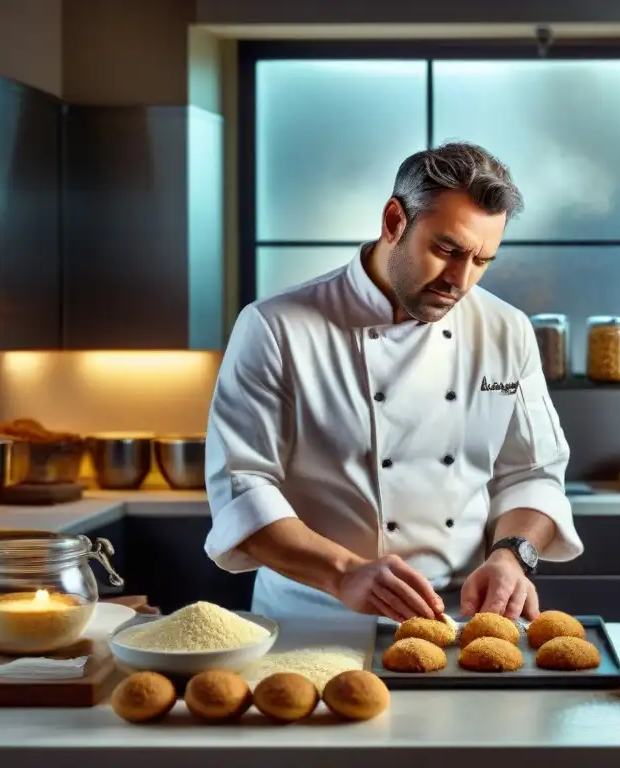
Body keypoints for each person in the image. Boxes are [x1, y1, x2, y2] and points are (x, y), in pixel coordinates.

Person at [203, 141, 583, 623]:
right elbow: (243, 487)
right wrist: (342, 574)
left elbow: (533, 473)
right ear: (393, 221)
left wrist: (512, 555)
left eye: (483, 260)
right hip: (316, 616)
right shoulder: (276, 327)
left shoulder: (506, 330)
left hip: (459, 622)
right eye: (447, 250)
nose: (461, 281)